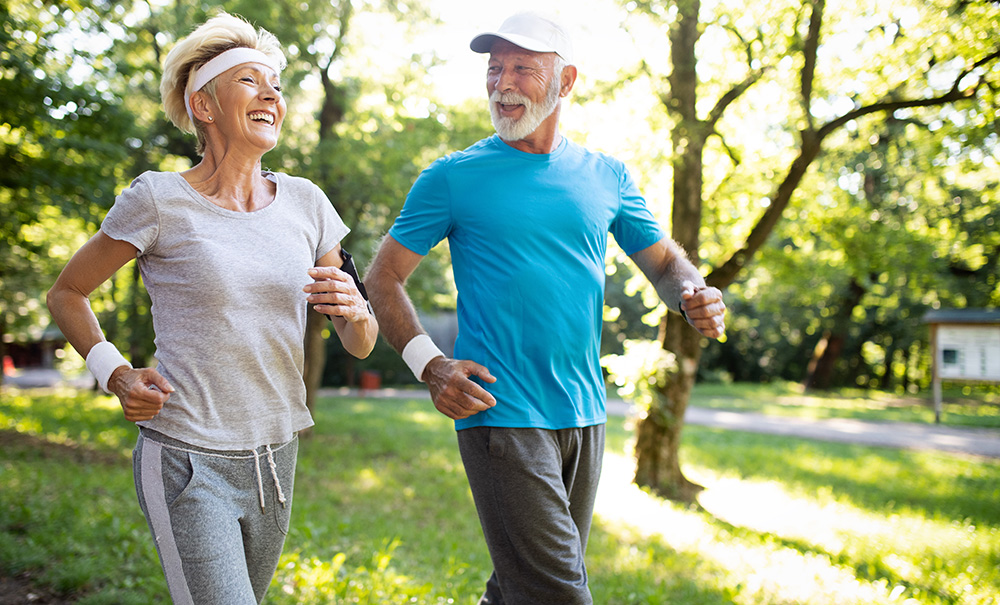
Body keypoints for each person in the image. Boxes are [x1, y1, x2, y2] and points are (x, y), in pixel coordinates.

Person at [365, 12, 726, 605]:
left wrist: (694, 292)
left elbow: (666, 265)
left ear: (566, 81)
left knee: (519, 589)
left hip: (584, 413)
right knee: (558, 592)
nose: (502, 83)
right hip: (500, 411)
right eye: (494, 68)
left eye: (522, 69)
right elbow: (382, 279)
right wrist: (430, 365)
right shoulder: (452, 177)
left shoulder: (606, 176)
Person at [45, 12, 377, 604]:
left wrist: (356, 311)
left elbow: (360, 342)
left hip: (276, 457)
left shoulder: (307, 203)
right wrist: (115, 373)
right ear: (204, 105)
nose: (271, 94)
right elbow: (66, 293)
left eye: (276, 85)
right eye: (250, 80)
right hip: (186, 456)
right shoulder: (158, 199)